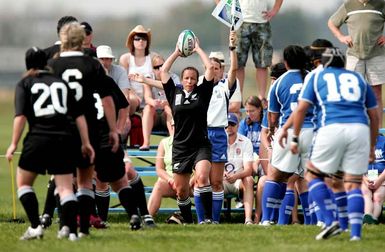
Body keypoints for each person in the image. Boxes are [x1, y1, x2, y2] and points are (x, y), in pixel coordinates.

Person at [5, 47, 94, 241]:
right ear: (46, 63)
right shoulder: (61, 82)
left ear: (27, 64)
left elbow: (20, 117)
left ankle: (36, 227)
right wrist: (86, 142)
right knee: (65, 189)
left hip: (37, 138)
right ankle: (71, 231)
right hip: (64, 139)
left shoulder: (25, 82)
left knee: (24, 184)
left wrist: (13, 144)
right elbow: (79, 116)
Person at [290, 47, 378, 241]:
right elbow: (374, 114)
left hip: (331, 127)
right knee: (353, 183)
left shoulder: (316, 76)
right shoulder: (358, 78)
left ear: (324, 63)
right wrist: (371, 146)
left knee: (312, 174)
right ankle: (355, 235)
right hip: (359, 128)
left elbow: (301, 108)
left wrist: (294, 137)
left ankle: (330, 221)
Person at [132, 35, 214, 223]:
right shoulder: (174, 92)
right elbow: (164, 71)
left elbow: (209, 69)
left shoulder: (203, 92)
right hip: (180, 147)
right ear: (182, 79)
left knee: (202, 176)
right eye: (187, 78)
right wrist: (177, 52)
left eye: (193, 78)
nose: (190, 81)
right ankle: (187, 220)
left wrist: (198, 49)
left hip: (200, 145)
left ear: (197, 80)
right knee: (181, 190)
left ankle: (209, 220)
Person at [48, 22, 119, 237]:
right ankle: (84, 230)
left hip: (61, 128)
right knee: (86, 181)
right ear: (82, 39)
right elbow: (107, 99)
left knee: (64, 182)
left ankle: (67, 226)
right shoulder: (92, 64)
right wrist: (113, 130)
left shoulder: (53, 64)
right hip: (90, 127)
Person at [93, 75, 155, 230]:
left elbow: (124, 105)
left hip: (109, 139)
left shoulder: (107, 80)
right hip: (90, 139)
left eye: (107, 58)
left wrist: (118, 129)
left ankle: (144, 214)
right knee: (98, 181)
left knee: (128, 172)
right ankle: (100, 220)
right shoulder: (80, 82)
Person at [261, 45, 312, 225]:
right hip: (313, 132)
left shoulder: (279, 82)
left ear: (286, 62)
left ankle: (268, 219)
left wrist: (271, 130)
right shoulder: (312, 77)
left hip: (289, 132)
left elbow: (273, 116)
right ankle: (316, 222)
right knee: (313, 178)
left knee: (276, 176)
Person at [195, 30, 237, 224]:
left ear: (222, 71)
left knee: (217, 182)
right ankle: (202, 219)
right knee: (200, 179)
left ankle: (215, 220)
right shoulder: (201, 85)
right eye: (212, 67)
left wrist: (232, 48)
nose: (215, 70)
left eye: (218, 68)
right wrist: (197, 48)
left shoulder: (224, 88)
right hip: (202, 133)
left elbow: (234, 71)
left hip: (219, 134)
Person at [328, 0, 385, 127]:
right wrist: (341, 37)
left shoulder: (381, 4)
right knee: (352, 91)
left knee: (376, 94)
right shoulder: (348, 5)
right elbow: (332, 23)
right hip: (354, 55)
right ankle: (354, 125)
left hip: (376, 54)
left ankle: (378, 130)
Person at [215, 0, 283, 101]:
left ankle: (261, 97)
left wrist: (275, 10)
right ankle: (238, 97)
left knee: (263, 63)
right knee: (238, 64)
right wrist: (227, 11)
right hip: (240, 21)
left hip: (261, 21)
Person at [139, 53, 177, 150]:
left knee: (169, 108)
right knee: (148, 108)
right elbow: (147, 97)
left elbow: (177, 98)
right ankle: (146, 142)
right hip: (154, 115)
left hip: (166, 114)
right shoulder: (147, 77)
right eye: (157, 67)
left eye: (162, 66)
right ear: (152, 69)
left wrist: (166, 103)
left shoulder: (173, 78)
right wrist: (154, 102)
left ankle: (174, 140)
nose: (160, 69)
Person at [224, 113, 255, 224]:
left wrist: (235, 176)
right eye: (226, 125)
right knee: (211, 180)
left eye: (232, 124)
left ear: (237, 126)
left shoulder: (245, 142)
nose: (229, 127)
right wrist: (222, 173)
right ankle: (212, 218)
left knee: (249, 180)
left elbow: (248, 170)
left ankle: (248, 219)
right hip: (221, 179)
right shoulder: (218, 140)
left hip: (238, 180)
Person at [119, 25, 153, 117]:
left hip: (150, 98)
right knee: (129, 100)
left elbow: (160, 78)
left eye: (144, 38)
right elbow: (123, 81)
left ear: (147, 41)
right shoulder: (125, 59)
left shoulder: (153, 58)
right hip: (132, 96)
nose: (141, 41)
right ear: (132, 41)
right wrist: (133, 95)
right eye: (137, 38)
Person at [362, 134, 385, 224]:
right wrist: (365, 180)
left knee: (377, 197)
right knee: (366, 193)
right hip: (364, 176)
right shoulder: (359, 142)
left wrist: (379, 180)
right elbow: (355, 165)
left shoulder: (383, 141)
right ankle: (368, 216)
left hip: (382, 176)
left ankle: (373, 219)